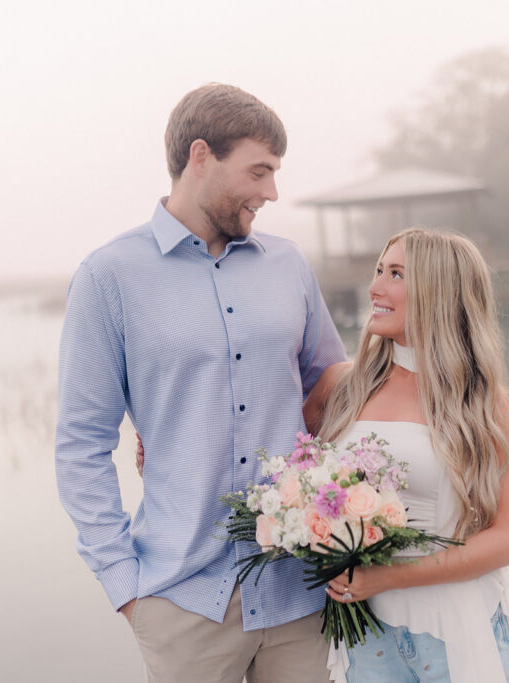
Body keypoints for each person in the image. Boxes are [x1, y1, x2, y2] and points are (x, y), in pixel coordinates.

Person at [54, 83, 346, 683]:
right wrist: (126, 588)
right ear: (201, 155)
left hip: (301, 592)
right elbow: (82, 445)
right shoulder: (108, 278)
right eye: (259, 171)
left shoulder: (288, 265)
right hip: (182, 603)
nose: (272, 192)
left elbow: (338, 398)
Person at [303, 228, 509, 683]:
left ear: (437, 291)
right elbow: (288, 462)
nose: (375, 287)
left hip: (454, 634)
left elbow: (505, 540)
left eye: (396, 274)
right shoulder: (346, 385)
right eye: (379, 270)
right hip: (366, 636)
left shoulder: (480, 402)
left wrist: (386, 577)